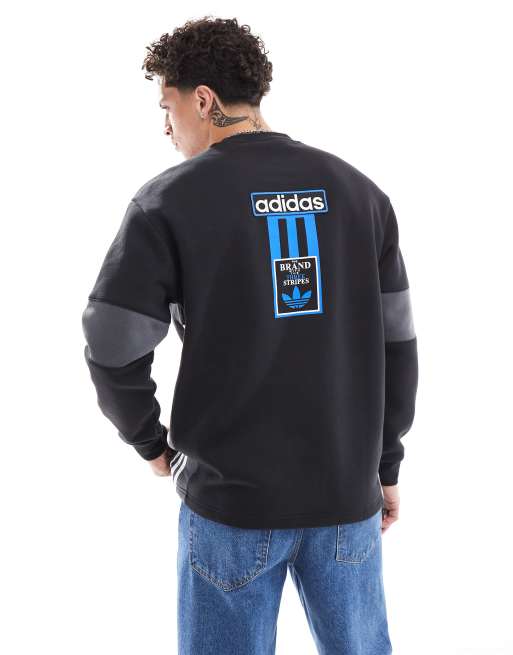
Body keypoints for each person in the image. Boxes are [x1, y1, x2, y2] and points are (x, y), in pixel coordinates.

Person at [81, 15, 419, 655]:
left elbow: (112, 345)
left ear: (203, 100)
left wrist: (149, 442)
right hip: (347, 499)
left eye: (168, 106)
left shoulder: (168, 202)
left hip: (230, 506)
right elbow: (397, 344)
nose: (166, 127)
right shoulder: (359, 193)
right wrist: (386, 463)